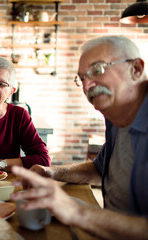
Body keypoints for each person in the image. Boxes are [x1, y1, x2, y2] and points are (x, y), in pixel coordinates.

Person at [11, 35, 148, 239]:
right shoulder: (116, 118)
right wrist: (51, 173)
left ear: (135, 69)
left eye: (98, 70)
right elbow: (98, 169)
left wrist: (78, 213)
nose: (87, 85)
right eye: (82, 78)